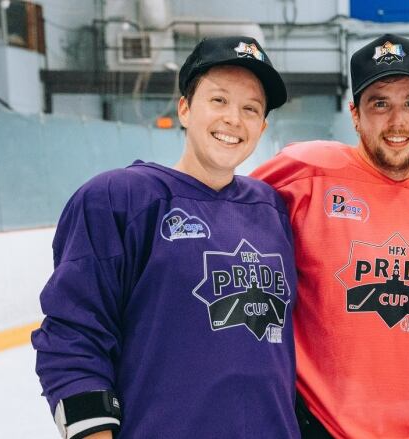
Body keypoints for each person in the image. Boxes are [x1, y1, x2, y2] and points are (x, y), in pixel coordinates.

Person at [32, 36, 300, 439]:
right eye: (219, 101)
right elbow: (73, 337)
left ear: (262, 127)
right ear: (185, 109)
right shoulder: (119, 199)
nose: (234, 119)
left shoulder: (271, 209)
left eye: (251, 109)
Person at [251, 33, 409, 438]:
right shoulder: (304, 171)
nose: (396, 121)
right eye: (380, 103)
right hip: (321, 428)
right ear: (355, 115)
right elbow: (225, 215)